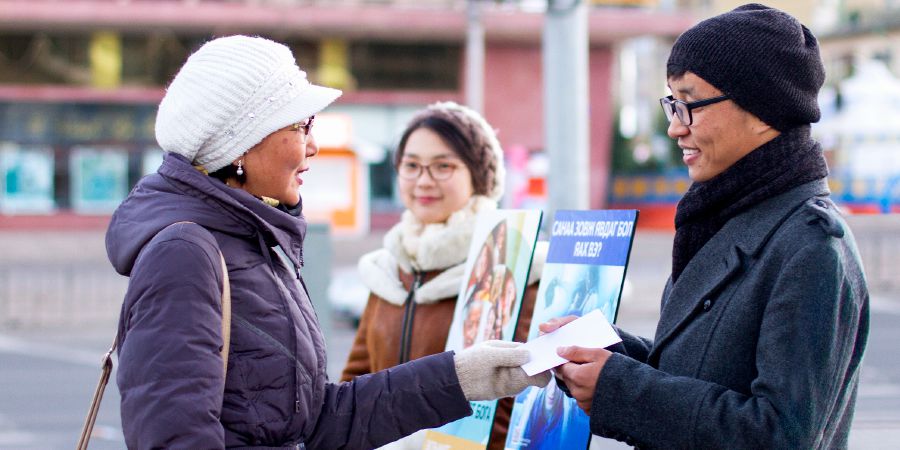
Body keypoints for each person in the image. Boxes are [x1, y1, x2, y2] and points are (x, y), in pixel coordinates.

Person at [105, 36, 549, 449]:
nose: (313, 145)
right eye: (301, 126)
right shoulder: (185, 254)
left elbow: (318, 423)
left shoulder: (254, 242)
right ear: (241, 142)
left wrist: (459, 376)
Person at [545, 4, 869, 449]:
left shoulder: (809, 243)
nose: (675, 127)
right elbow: (699, 371)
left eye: (690, 104)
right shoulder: (722, 215)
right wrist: (608, 353)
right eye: (671, 103)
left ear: (762, 110)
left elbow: (779, 435)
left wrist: (620, 387)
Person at [340, 101, 546, 450]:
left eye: (443, 166)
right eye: (412, 166)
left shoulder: (513, 267)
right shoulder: (388, 270)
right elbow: (355, 385)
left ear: (480, 175)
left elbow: (518, 401)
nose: (424, 181)